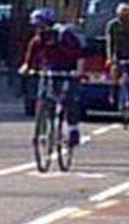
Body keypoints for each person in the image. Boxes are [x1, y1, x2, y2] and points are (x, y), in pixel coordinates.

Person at [19, 8, 85, 146]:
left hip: (67, 71)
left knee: (69, 99)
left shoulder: (64, 35)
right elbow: (30, 57)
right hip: (49, 71)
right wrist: (27, 67)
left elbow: (79, 55)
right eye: (36, 26)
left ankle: (73, 130)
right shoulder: (37, 40)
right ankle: (45, 129)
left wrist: (78, 71)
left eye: (41, 25)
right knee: (44, 97)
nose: (38, 29)